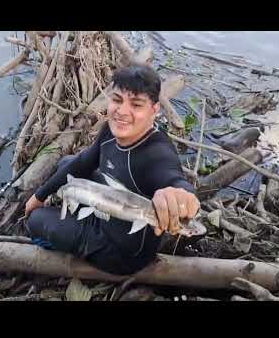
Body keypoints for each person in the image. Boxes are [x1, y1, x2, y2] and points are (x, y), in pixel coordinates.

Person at [24, 65, 201, 275]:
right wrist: (38, 196)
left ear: (154, 110)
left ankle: (73, 242)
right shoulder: (111, 128)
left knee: (35, 221)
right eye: (117, 100)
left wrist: (182, 199)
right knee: (67, 163)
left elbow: (177, 182)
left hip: (119, 252)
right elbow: (83, 162)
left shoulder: (157, 154)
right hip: (111, 206)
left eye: (136, 104)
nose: (122, 111)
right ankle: (70, 212)